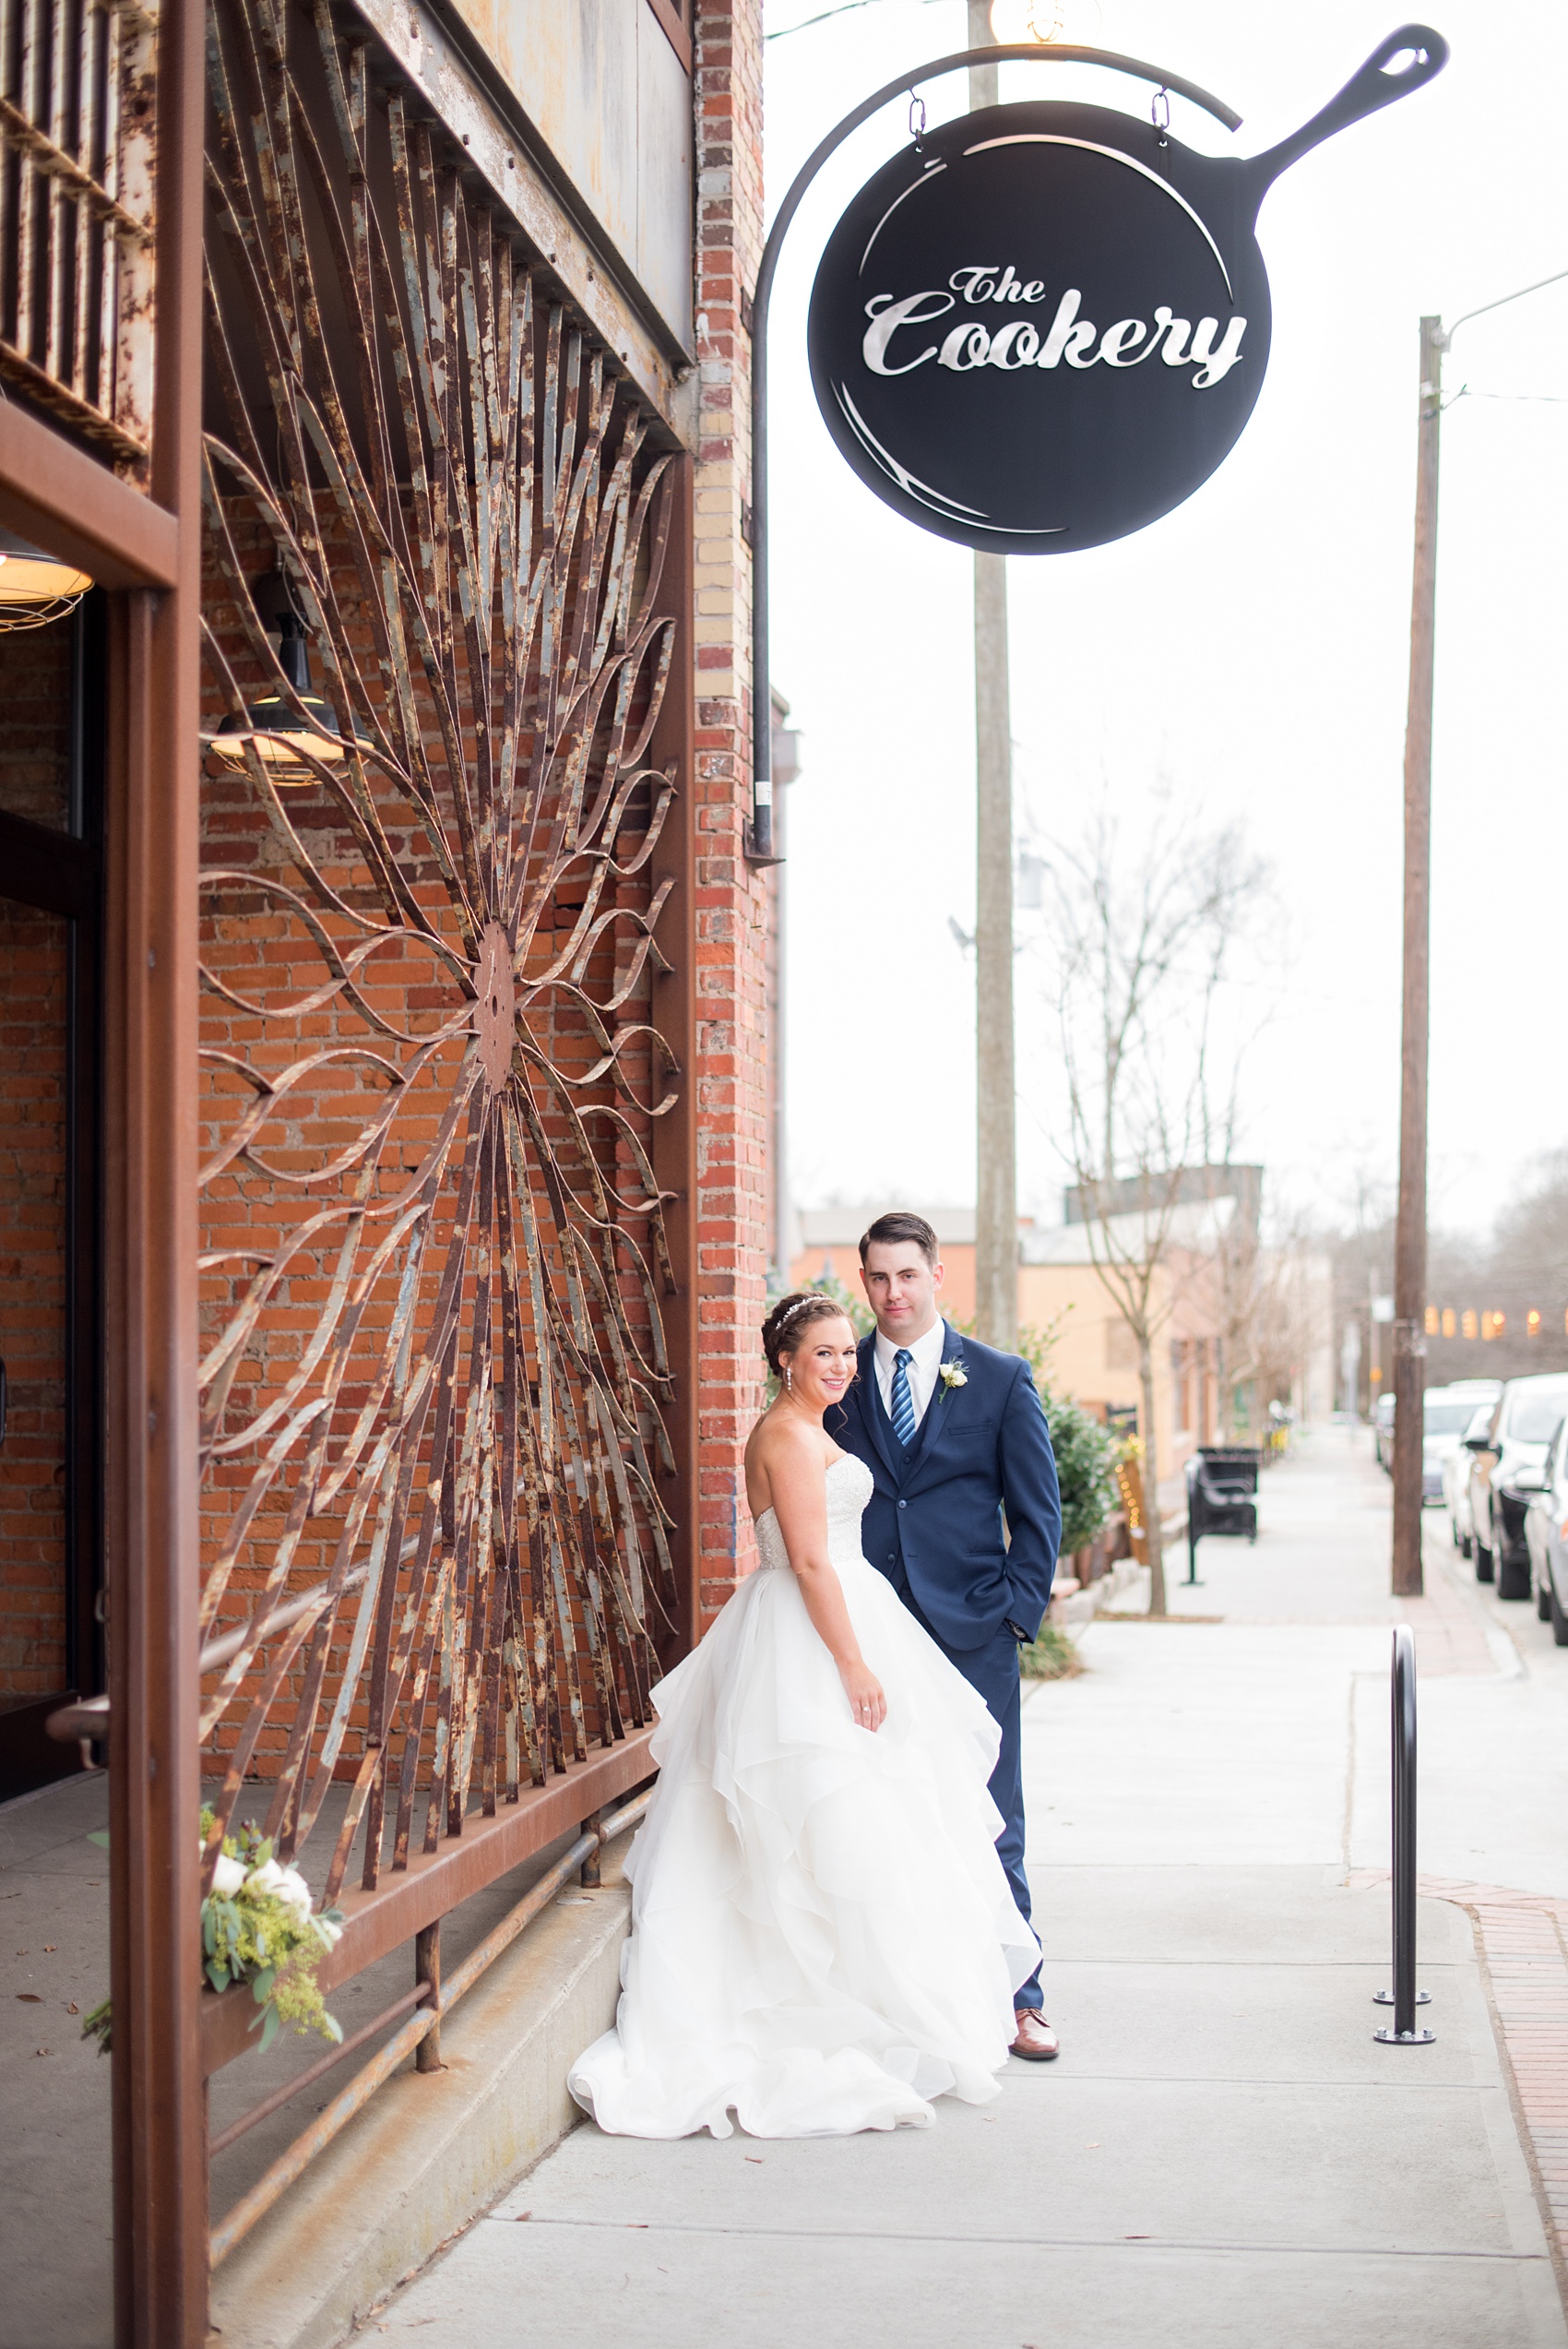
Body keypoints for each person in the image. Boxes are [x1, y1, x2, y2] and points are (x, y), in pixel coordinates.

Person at [567, 1292, 1041, 2139]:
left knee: (878, 1815)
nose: (841, 1367)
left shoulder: (811, 1426)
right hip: (808, 1631)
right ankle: (811, 1997)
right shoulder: (785, 1436)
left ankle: (871, 1989)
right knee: (815, 1810)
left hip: (847, 1611)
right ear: (785, 1360)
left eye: (845, 1354)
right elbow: (812, 1563)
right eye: (823, 1354)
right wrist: (853, 1663)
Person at [827, 1210, 1063, 2061]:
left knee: (991, 1811)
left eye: (908, 1276)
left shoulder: (998, 1380)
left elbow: (1038, 1513)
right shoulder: (837, 1379)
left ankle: (1020, 1999)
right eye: (878, 1279)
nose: (893, 1295)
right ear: (864, 1284)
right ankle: (901, 1999)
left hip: (971, 1632)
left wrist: (1012, 1615)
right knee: (879, 1815)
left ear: (936, 1278)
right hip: (870, 1641)